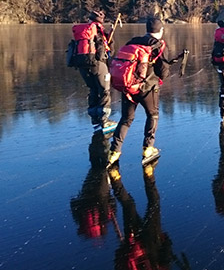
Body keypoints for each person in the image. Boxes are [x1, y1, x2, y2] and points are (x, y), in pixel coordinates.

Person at [107, 18, 171, 167]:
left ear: (147, 29)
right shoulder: (159, 46)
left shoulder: (133, 41)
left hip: (129, 87)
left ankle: (114, 152)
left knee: (126, 119)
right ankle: (148, 148)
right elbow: (163, 73)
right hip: (148, 88)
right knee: (152, 115)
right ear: (161, 31)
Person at [70, 10, 116, 130]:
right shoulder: (99, 30)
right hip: (97, 64)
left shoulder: (83, 31)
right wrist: (111, 36)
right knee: (104, 90)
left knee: (93, 89)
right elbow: (110, 49)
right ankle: (104, 120)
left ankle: (95, 118)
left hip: (82, 64)